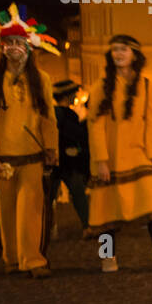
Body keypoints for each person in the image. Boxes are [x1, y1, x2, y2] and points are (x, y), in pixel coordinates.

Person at [0, 8, 60, 277]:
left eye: (19, 43)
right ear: (2, 47)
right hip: (1, 158)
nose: (14, 48)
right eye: (9, 43)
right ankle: (12, 258)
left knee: (31, 211)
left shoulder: (42, 79)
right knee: (6, 212)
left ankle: (33, 260)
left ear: (28, 47)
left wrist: (51, 148)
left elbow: (48, 116)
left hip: (32, 155)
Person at [86, 35, 152, 274]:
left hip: (139, 157)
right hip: (110, 158)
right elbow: (94, 125)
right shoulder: (100, 86)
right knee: (106, 212)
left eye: (123, 49)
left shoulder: (147, 86)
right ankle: (107, 258)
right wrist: (101, 160)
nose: (118, 54)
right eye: (115, 49)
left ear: (134, 55)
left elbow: (151, 124)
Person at [50, 80, 91, 233]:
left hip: (53, 161)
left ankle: (44, 229)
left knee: (49, 198)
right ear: (68, 96)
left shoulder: (51, 113)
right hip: (66, 162)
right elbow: (75, 136)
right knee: (78, 194)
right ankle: (87, 225)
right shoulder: (67, 114)